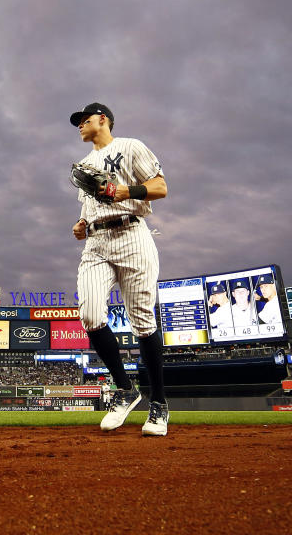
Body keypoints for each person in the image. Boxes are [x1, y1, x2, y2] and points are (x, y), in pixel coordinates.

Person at [69, 102, 171, 436]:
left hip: (132, 233)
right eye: (78, 122)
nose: (80, 125)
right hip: (96, 243)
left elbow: (160, 188)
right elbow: (91, 204)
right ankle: (126, 389)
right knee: (90, 315)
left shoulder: (130, 146)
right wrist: (82, 223)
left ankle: (158, 404)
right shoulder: (85, 163)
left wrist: (126, 190)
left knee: (142, 320)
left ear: (103, 120)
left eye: (85, 119)